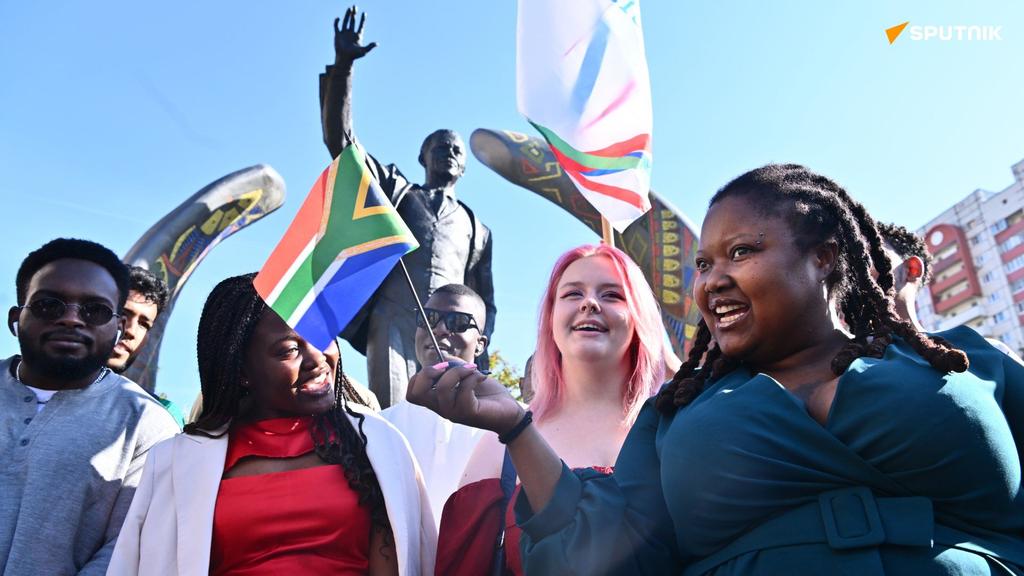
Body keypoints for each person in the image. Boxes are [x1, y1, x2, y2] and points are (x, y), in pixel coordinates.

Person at [410, 164, 1024, 574]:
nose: (712, 280)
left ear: (824, 258)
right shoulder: (681, 411)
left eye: (742, 251)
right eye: (702, 264)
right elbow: (607, 552)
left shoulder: (963, 359)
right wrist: (518, 427)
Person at [108, 273, 435, 575]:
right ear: (242, 371)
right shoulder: (175, 461)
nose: (317, 358)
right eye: (289, 349)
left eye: (322, 336)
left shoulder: (378, 443)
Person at [433, 244, 668, 576]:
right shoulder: (497, 446)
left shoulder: (673, 430)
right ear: (551, 317)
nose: (590, 303)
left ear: (639, 316)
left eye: (613, 295)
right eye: (573, 294)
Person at [321, 6, 496, 408]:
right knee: (392, 415)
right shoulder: (398, 190)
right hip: (396, 319)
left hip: (453, 330)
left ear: (464, 167)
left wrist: (481, 350)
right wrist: (344, 67)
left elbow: (486, 300)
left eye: (456, 150)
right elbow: (342, 144)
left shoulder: (477, 228)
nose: (448, 153)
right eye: (439, 147)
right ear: (423, 156)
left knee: (449, 420)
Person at [1, 238, 179, 575]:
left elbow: (127, 549)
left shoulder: (148, 427)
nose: (71, 319)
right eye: (49, 305)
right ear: (16, 317)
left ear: (115, 329)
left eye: (94, 311)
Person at [381, 283, 490, 528]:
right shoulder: (380, 427)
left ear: (480, 344)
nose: (439, 329)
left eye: (458, 322)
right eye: (428, 318)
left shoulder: (505, 427)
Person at [878, 222, 1024, 364]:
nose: (858, 264)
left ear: (911, 269)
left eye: (870, 253)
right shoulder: (856, 362)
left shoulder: (990, 353)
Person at [104, 265, 186, 427]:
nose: (131, 331)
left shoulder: (160, 415)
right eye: (123, 314)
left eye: (143, 324)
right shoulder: (44, 388)